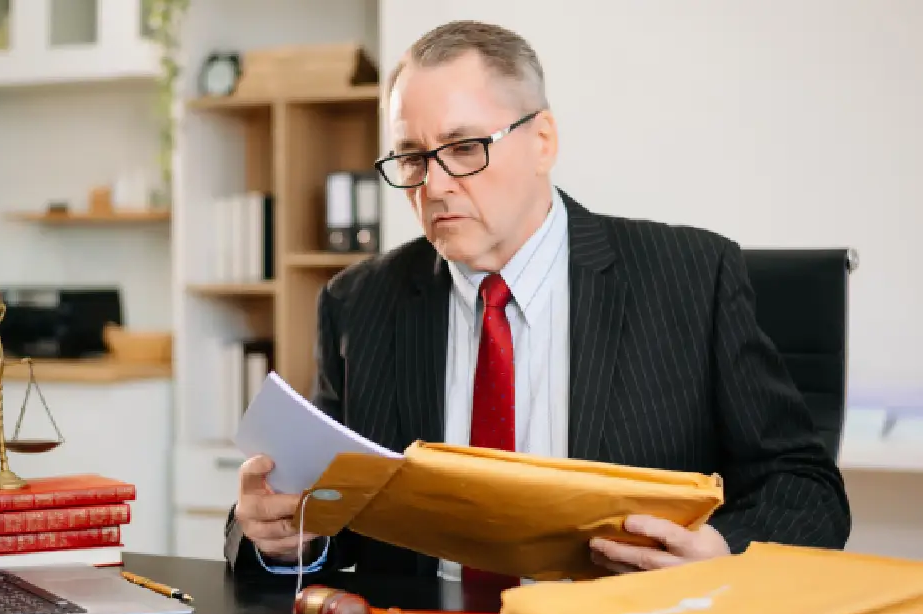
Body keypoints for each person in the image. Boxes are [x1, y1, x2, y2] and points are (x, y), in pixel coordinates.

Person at [223, 20, 850, 584]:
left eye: (465, 147)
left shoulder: (693, 278)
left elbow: (807, 486)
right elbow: (331, 506)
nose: (434, 185)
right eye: (412, 158)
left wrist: (721, 550)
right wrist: (280, 538)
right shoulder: (360, 301)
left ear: (542, 140)